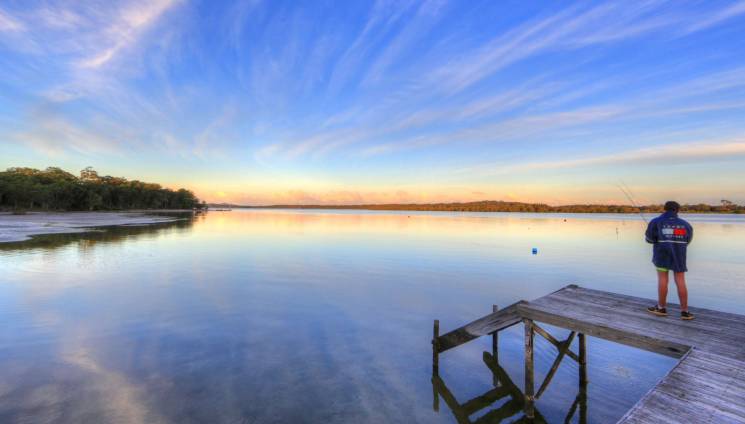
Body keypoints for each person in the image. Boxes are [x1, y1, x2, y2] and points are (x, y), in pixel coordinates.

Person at [645, 201, 694, 320]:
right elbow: (688, 241)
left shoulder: (656, 221)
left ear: (664, 209)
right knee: (680, 280)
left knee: (662, 279)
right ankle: (685, 312)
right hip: (679, 255)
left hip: (662, 255)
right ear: (677, 210)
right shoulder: (686, 224)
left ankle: (661, 308)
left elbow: (649, 239)